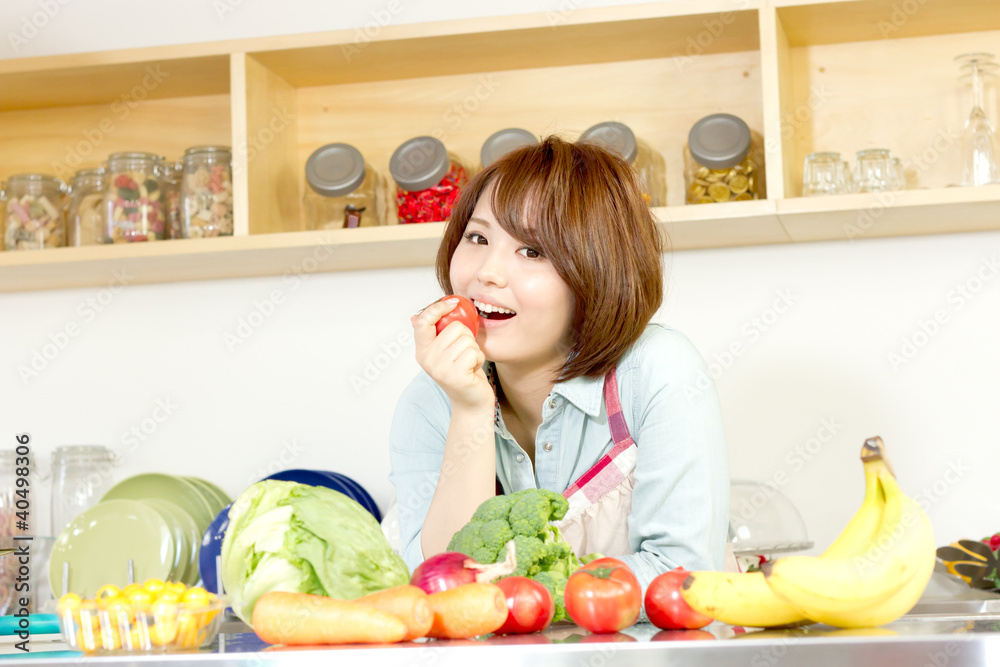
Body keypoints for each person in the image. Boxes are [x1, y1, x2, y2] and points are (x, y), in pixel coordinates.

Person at [388, 135, 729, 591]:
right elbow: (444, 586)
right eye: (477, 237)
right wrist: (470, 410)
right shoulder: (430, 400)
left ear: (597, 271)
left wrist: (517, 587)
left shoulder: (657, 370)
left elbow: (682, 576)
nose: (487, 272)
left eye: (532, 251)